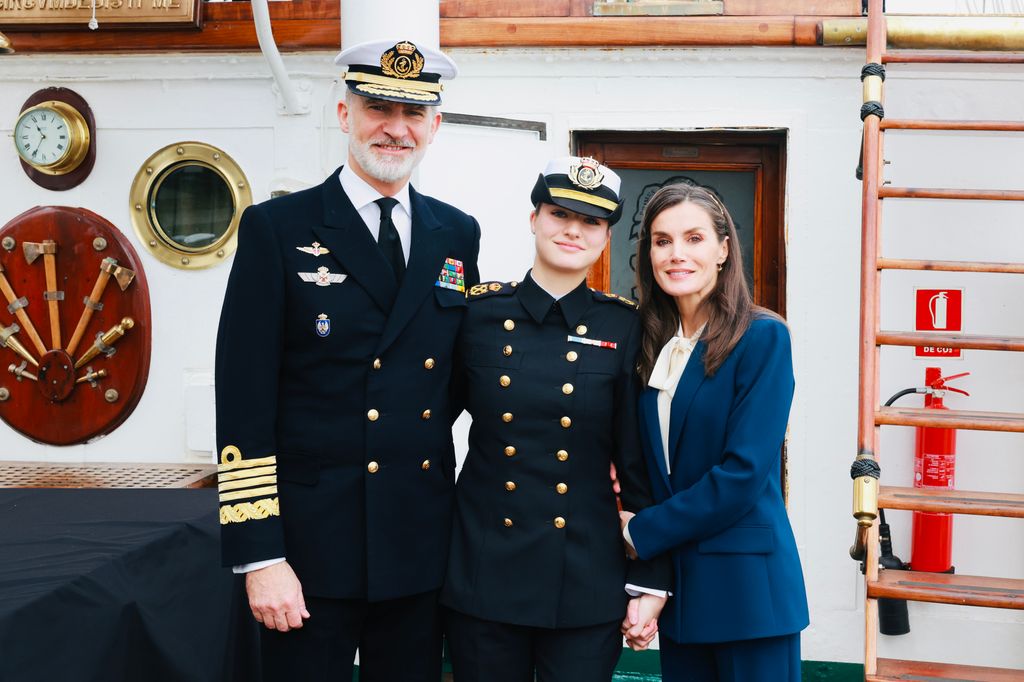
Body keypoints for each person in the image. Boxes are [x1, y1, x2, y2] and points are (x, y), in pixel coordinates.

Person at [214, 38, 481, 681]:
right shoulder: (277, 228)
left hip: (418, 544)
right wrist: (260, 556)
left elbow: (461, 378)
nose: (395, 128)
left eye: (413, 114)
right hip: (307, 551)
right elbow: (243, 398)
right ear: (344, 114)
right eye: (378, 109)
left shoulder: (457, 232)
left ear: (435, 125)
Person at [441, 157, 670, 682]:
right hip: (484, 569)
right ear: (533, 219)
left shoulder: (626, 325)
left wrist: (650, 578)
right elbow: (426, 427)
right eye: (559, 213)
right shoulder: (476, 315)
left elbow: (638, 462)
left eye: (590, 221)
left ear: (607, 235)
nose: (572, 230)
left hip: (585, 576)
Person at [619, 182, 809, 681]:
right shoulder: (647, 341)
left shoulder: (763, 337)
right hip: (684, 597)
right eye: (662, 241)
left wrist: (641, 532)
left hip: (748, 594)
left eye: (694, 238)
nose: (676, 254)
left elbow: (742, 474)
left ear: (724, 249)